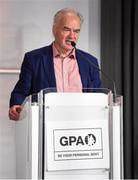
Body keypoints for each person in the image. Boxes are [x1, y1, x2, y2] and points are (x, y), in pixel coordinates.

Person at [9, 8, 101, 120]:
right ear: (54, 30)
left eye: (76, 31)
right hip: (46, 126)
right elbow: (20, 93)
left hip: (81, 127)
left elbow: (98, 99)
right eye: (66, 30)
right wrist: (16, 106)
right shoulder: (34, 59)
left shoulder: (90, 62)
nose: (72, 36)